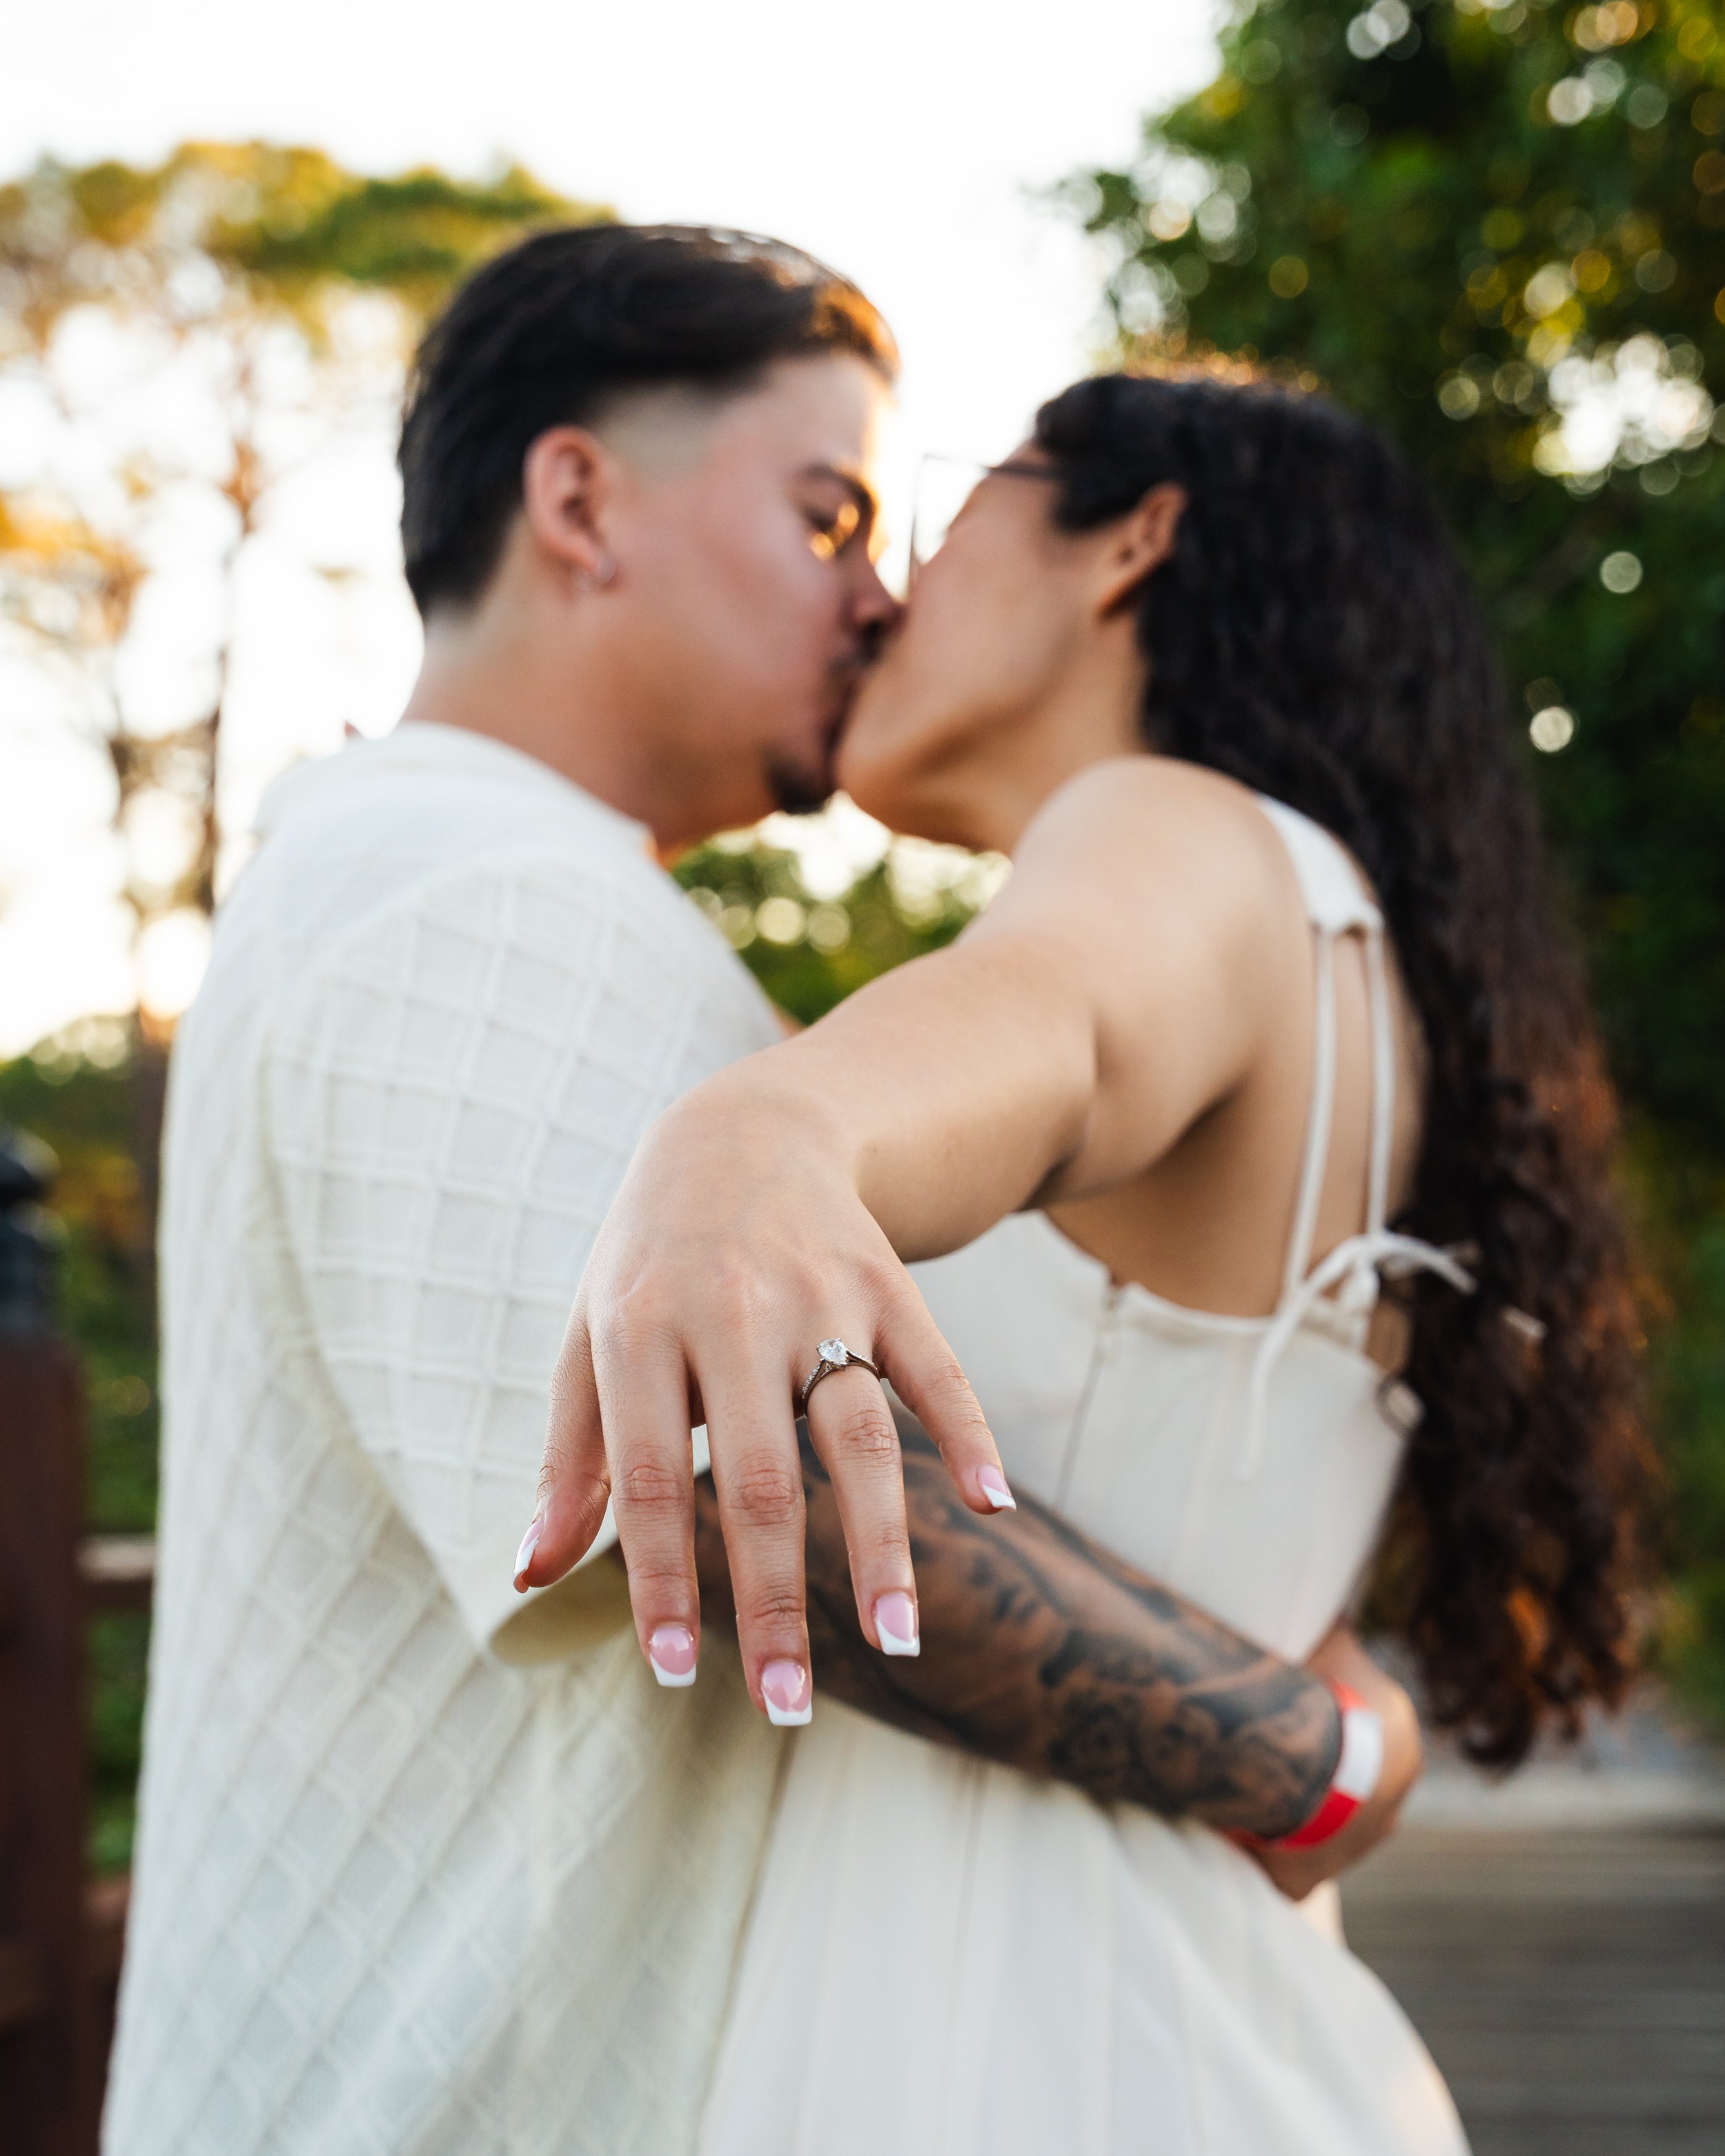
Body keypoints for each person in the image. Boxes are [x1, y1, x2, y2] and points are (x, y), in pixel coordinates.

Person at [104, 230, 1414, 2156]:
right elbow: (753, 1506)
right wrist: (1317, 1752)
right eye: (828, 518)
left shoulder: (525, 898)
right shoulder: (477, 896)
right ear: (577, 499)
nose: (877, 598)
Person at [526, 369, 1651, 2153]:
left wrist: (770, 1135)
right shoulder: (1330, 933)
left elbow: (1049, 1026)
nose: (883, 592)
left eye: (952, 509)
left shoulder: (1173, 834)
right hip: (1177, 2045)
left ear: (1129, 538)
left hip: (1022, 2062)